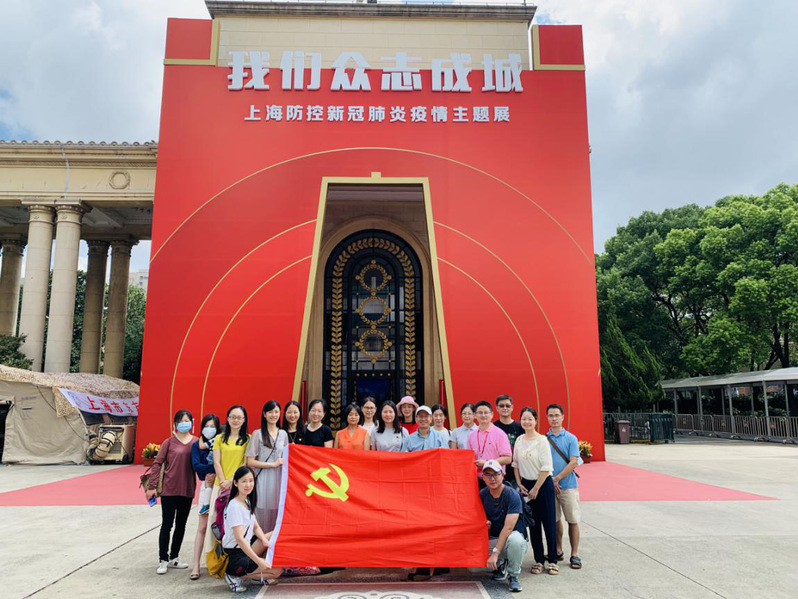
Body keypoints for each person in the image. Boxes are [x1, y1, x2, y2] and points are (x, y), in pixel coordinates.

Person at [145, 409, 198, 575]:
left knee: (181, 525)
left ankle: (174, 557)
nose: (184, 423)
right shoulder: (168, 442)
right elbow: (157, 464)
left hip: (187, 489)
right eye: (181, 421)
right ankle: (163, 559)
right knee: (167, 525)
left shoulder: (196, 442)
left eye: (187, 420)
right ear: (175, 424)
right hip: (169, 489)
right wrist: (152, 486)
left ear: (192, 423)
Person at [221, 466, 282, 592]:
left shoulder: (246, 501)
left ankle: (258, 572)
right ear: (235, 483)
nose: (248, 485)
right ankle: (233, 574)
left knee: (274, 534)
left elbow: (256, 526)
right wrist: (259, 561)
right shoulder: (234, 506)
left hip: (245, 547)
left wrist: (265, 541)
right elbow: (240, 540)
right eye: (244, 481)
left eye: (251, 480)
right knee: (277, 571)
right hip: (235, 554)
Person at [513, 407, 558, 575]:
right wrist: (519, 483)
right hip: (526, 486)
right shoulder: (519, 440)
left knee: (549, 523)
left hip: (543, 485)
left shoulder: (542, 441)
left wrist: (536, 488)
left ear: (536, 421)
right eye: (524, 419)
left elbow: (547, 467)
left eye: (530, 419)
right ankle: (538, 560)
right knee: (533, 525)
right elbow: (515, 464)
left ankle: (552, 561)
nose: (526, 422)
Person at [204, 405, 250, 555]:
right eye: (233, 417)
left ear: (244, 420)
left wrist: (231, 481)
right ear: (228, 419)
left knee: (237, 522)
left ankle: (236, 556)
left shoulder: (247, 439)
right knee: (215, 520)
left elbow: (245, 463)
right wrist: (223, 481)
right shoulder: (219, 438)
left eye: (239, 417)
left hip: (238, 487)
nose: (236, 420)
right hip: (220, 485)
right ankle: (213, 556)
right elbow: (216, 462)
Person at [480, 460, 527, 593]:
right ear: (483, 477)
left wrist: (495, 553)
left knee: (515, 541)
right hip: (493, 538)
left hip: (511, 538)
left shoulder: (512, 495)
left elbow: (508, 528)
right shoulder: (482, 494)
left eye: (496, 474)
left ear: (502, 475)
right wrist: (484, 522)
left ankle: (513, 575)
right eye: (488, 475)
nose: (492, 478)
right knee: (473, 565)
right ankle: (502, 564)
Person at [546, 403, 582, 570]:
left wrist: (557, 478)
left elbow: (573, 462)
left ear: (562, 417)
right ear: (547, 418)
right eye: (551, 415)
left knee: (572, 520)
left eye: (556, 415)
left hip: (568, 486)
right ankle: (558, 550)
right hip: (549, 486)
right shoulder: (543, 439)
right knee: (554, 520)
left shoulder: (571, 438)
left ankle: (574, 554)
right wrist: (551, 481)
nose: (554, 418)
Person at [246, 401, 288, 533]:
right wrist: (272, 464)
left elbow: (286, 457)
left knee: (278, 509)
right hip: (263, 477)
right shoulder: (257, 434)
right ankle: (260, 540)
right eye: (270, 412)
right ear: (264, 414)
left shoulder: (283, 434)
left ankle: (273, 542)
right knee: (262, 509)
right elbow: (250, 461)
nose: (273, 415)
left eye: (276, 412)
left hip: (279, 477)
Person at [189, 413, 220, 580]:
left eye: (212, 426)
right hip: (206, 488)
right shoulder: (196, 445)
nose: (209, 429)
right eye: (206, 426)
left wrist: (213, 472)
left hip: (220, 486)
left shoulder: (220, 442)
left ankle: (218, 561)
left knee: (220, 526)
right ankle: (196, 565)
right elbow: (196, 466)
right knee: (202, 527)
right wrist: (211, 470)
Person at [468, 401, 512, 488]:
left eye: (486, 412)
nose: (483, 415)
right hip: (477, 480)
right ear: (475, 415)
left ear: (491, 414)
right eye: (480, 413)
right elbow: (469, 458)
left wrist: (487, 463)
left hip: (495, 480)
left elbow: (508, 458)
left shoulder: (500, 434)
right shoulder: (471, 435)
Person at [494, 395, 524, 488]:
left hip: (516, 474)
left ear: (512, 407)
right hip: (497, 472)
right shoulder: (493, 427)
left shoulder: (520, 427)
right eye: (501, 406)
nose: (505, 408)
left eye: (507, 405)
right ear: (497, 408)